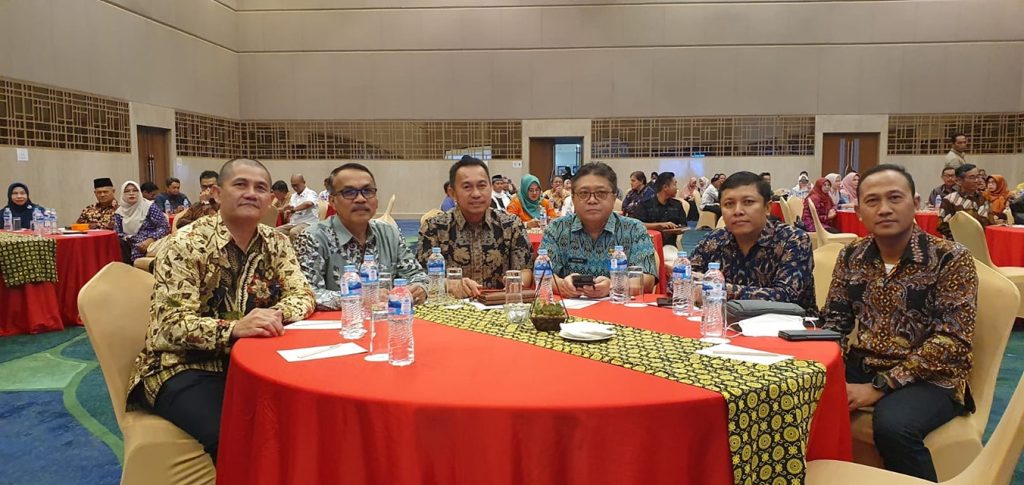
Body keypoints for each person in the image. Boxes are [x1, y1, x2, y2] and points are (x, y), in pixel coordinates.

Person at [126, 158, 315, 464]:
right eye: (240, 185)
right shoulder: (185, 244)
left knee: (309, 415)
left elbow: (303, 294)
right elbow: (170, 325)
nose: (251, 193)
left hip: (255, 362)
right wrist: (235, 328)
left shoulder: (276, 242)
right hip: (182, 366)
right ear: (216, 193)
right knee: (239, 435)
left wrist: (275, 315)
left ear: (271, 200)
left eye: (260, 188)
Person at [823, 164, 976, 481]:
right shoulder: (851, 255)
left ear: (915, 203)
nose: (884, 209)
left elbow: (952, 340)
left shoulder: (950, 257)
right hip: (864, 363)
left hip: (931, 376)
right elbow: (835, 322)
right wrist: (830, 371)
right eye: (872, 201)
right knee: (794, 395)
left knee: (894, 427)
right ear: (859, 211)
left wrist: (880, 387)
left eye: (894, 198)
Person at [296, 163, 428, 308]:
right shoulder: (313, 238)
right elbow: (306, 294)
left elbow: (417, 275)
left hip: (388, 318)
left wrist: (419, 288)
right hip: (341, 320)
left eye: (367, 191)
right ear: (332, 201)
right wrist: (362, 298)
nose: (360, 199)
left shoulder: (389, 233)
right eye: (349, 192)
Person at [683, 171, 816, 313]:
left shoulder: (793, 240)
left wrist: (719, 288)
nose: (738, 211)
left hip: (788, 324)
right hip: (723, 322)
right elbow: (679, 281)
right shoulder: (714, 240)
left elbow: (786, 296)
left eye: (748, 202)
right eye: (729, 204)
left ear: (767, 208)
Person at [418, 156, 533, 296]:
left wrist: (516, 282)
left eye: (482, 186)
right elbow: (421, 278)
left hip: (498, 304)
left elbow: (525, 269)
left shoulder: (511, 224)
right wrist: (448, 284)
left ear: (490, 188)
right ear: (452, 193)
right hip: (451, 306)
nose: (476, 194)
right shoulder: (434, 228)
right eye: (467, 187)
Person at [539, 162, 656, 299]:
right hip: (570, 309)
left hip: (619, 307)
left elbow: (647, 279)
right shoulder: (556, 229)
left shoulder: (634, 229)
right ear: (573, 198)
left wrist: (614, 285)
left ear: (614, 197)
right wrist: (562, 285)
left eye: (601, 193)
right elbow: (542, 274)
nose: (592, 200)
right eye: (584, 193)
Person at [114, 181, 170, 263]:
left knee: (137, 251)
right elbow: (118, 232)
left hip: (151, 241)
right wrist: (129, 238)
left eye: (135, 190)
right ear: (122, 194)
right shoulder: (119, 212)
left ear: (139, 192)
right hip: (129, 242)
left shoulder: (149, 207)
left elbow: (164, 227)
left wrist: (151, 239)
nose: (131, 193)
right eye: (127, 191)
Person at [937, 164, 992, 239]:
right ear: (959, 181)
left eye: (978, 176)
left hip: (983, 240)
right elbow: (943, 227)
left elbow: (990, 222)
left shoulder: (984, 197)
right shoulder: (950, 200)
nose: (977, 180)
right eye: (972, 177)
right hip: (959, 242)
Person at [632, 172, 687, 246]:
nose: (677, 188)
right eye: (674, 185)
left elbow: (683, 225)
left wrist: (675, 229)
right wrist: (659, 226)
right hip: (648, 245)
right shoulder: (645, 204)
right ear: (665, 187)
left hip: (669, 245)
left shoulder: (677, 205)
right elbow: (637, 225)